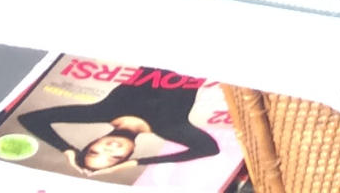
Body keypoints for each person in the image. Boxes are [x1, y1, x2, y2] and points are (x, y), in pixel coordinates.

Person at [15, 77, 221, 180]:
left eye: (95, 151)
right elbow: (209, 149)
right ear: (130, 153)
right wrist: (136, 163)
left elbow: (30, 118)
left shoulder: (99, 112)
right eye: (115, 157)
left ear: (92, 142)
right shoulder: (170, 128)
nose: (109, 148)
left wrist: (67, 150)